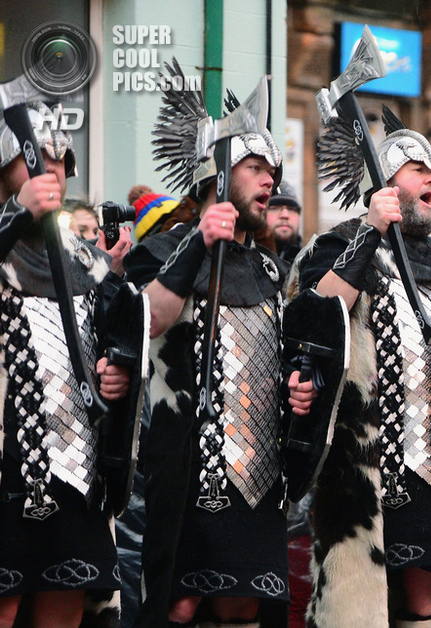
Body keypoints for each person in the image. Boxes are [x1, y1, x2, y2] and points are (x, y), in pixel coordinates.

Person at [291, 112, 431, 627]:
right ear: (385, 180)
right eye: (418, 167)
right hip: (363, 468)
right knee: (360, 608)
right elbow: (314, 312)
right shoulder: (342, 244)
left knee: (430, 605)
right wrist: (373, 229)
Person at [125, 72, 294, 626]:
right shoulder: (164, 249)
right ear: (216, 176)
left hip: (260, 464)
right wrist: (199, 242)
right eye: (255, 169)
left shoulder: (271, 268)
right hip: (185, 463)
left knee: (243, 601)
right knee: (179, 600)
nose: (269, 181)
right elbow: (147, 318)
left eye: (272, 171)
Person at [0, 100, 135, 627]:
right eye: (37, 160)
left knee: (64, 610)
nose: (49, 171)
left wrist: (117, 370)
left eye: (60, 163)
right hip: (8, 465)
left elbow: (122, 338)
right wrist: (16, 216)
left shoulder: (87, 259)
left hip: (75, 465)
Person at [267, 181, 302, 269]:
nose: (285, 215)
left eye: (291, 209)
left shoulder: (310, 263)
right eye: (274, 208)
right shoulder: (244, 260)